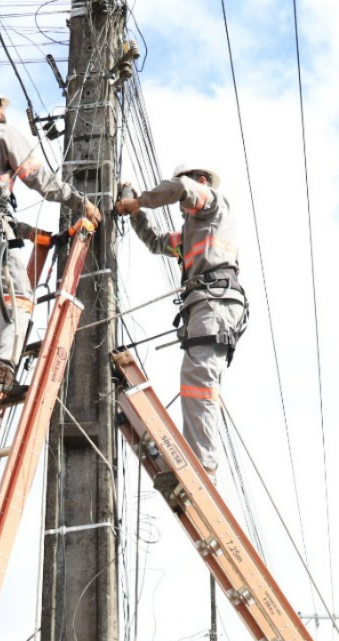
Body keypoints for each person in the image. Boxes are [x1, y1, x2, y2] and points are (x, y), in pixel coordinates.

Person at [0, 84, 102, 407]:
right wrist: (81, 202)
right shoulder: (3, 135)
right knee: (21, 299)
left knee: (0, 305)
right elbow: (39, 179)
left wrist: (32, 233)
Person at [115, 165, 248, 486]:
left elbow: (179, 188)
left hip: (215, 300)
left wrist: (141, 201)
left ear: (200, 181)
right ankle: (200, 464)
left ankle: (203, 469)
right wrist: (134, 209)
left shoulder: (213, 205)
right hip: (205, 304)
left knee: (198, 377)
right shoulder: (193, 233)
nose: (179, 205)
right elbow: (155, 242)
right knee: (194, 376)